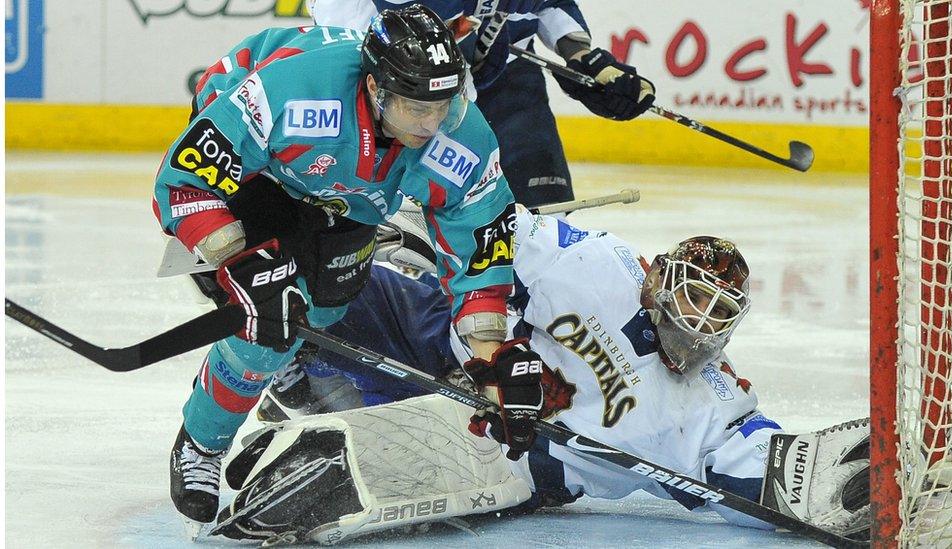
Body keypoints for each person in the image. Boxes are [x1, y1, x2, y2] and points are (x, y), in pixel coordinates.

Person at [218, 206, 870, 543]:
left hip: (504, 457)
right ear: (660, 277)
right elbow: (498, 238)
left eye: (718, 311)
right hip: (451, 337)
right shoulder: (599, 265)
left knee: (340, 479)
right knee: (306, 289)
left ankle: (357, 409)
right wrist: (503, 344)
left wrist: (860, 482)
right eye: (693, 295)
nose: (699, 320)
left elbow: (768, 471)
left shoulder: (705, 403)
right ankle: (313, 382)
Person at [154, 5, 538, 533]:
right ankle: (202, 441)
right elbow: (185, 181)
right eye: (416, 108)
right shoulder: (296, 92)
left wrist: (491, 355)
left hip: (347, 199)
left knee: (327, 307)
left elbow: (481, 242)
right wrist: (239, 262)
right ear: (376, 88)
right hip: (259, 176)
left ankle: (296, 352)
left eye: (442, 105)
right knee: (268, 321)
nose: (432, 123)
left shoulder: (457, 130)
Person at [307, 0, 656, 208]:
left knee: (547, 208)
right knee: (417, 227)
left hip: (502, 75)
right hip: (399, 90)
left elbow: (548, 3)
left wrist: (584, 57)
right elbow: (363, 52)